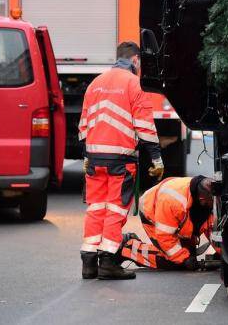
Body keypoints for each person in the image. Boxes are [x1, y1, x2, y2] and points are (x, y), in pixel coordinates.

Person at [79, 41, 164, 280]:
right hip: (120, 160)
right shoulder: (134, 83)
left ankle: (88, 263)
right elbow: (145, 126)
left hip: (95, 159)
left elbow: (84, 124)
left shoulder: (95, 84)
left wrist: (85, 155)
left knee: (95, 208)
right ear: (135, 60)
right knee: (115, 210)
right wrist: (156, 158)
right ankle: (108, 262)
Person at [119, 175, 218, 270]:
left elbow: (212, 228)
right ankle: (127, 247)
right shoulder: (173, 202)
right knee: (174, 260)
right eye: (213, 201)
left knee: (188, 256)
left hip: (176, 220)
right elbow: (165, 236)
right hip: (152, 215)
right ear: (202, 200)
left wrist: (224, 254)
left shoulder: (205, 197)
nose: (215, 203)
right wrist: (183, 258)